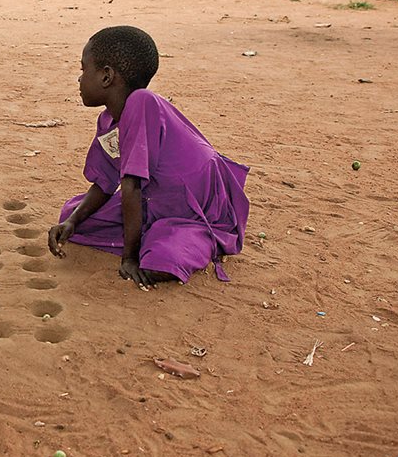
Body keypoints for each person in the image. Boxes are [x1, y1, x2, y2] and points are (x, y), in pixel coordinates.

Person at [48, 26, 249, 289]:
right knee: (73, 214)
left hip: (193, 208)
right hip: (154, 200)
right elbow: (106, 182)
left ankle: (197, 238)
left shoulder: (142, 103)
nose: (79, 79)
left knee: (160, 261)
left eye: (84, 69)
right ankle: (154, 234)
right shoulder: (109, 120)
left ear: (107, 76)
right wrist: (72, 221)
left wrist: (129, 258)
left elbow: (130, 185)